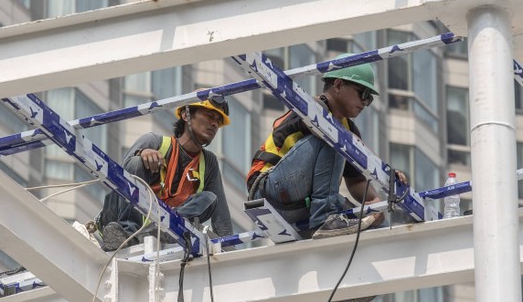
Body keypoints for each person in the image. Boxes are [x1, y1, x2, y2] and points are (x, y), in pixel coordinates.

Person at [246, 55, 406, 239]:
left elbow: (356, 181)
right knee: (332, 136)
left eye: (368, 99)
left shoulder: (348, 129)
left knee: (376, 226)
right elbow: (329, 134)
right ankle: (324, 218)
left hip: (302, 203)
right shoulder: (312, 108)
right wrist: (381, 165)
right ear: (338, 85)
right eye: (362, 93)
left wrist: (374, 204)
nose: (365, 102)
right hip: (267, 189)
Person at [96, 94, 233, 251]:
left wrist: (230, 256)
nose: (214, 123)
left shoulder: (208, 162)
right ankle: (128, 234)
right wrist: (141, 153)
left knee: (210, 198)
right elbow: (118, 182)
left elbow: (222, 219)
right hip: (116, 223)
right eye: (209, 116)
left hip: (160, 230)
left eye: (218, 120)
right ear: (186, 114)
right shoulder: (154, 142)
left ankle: (155, 232)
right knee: (135, 163)